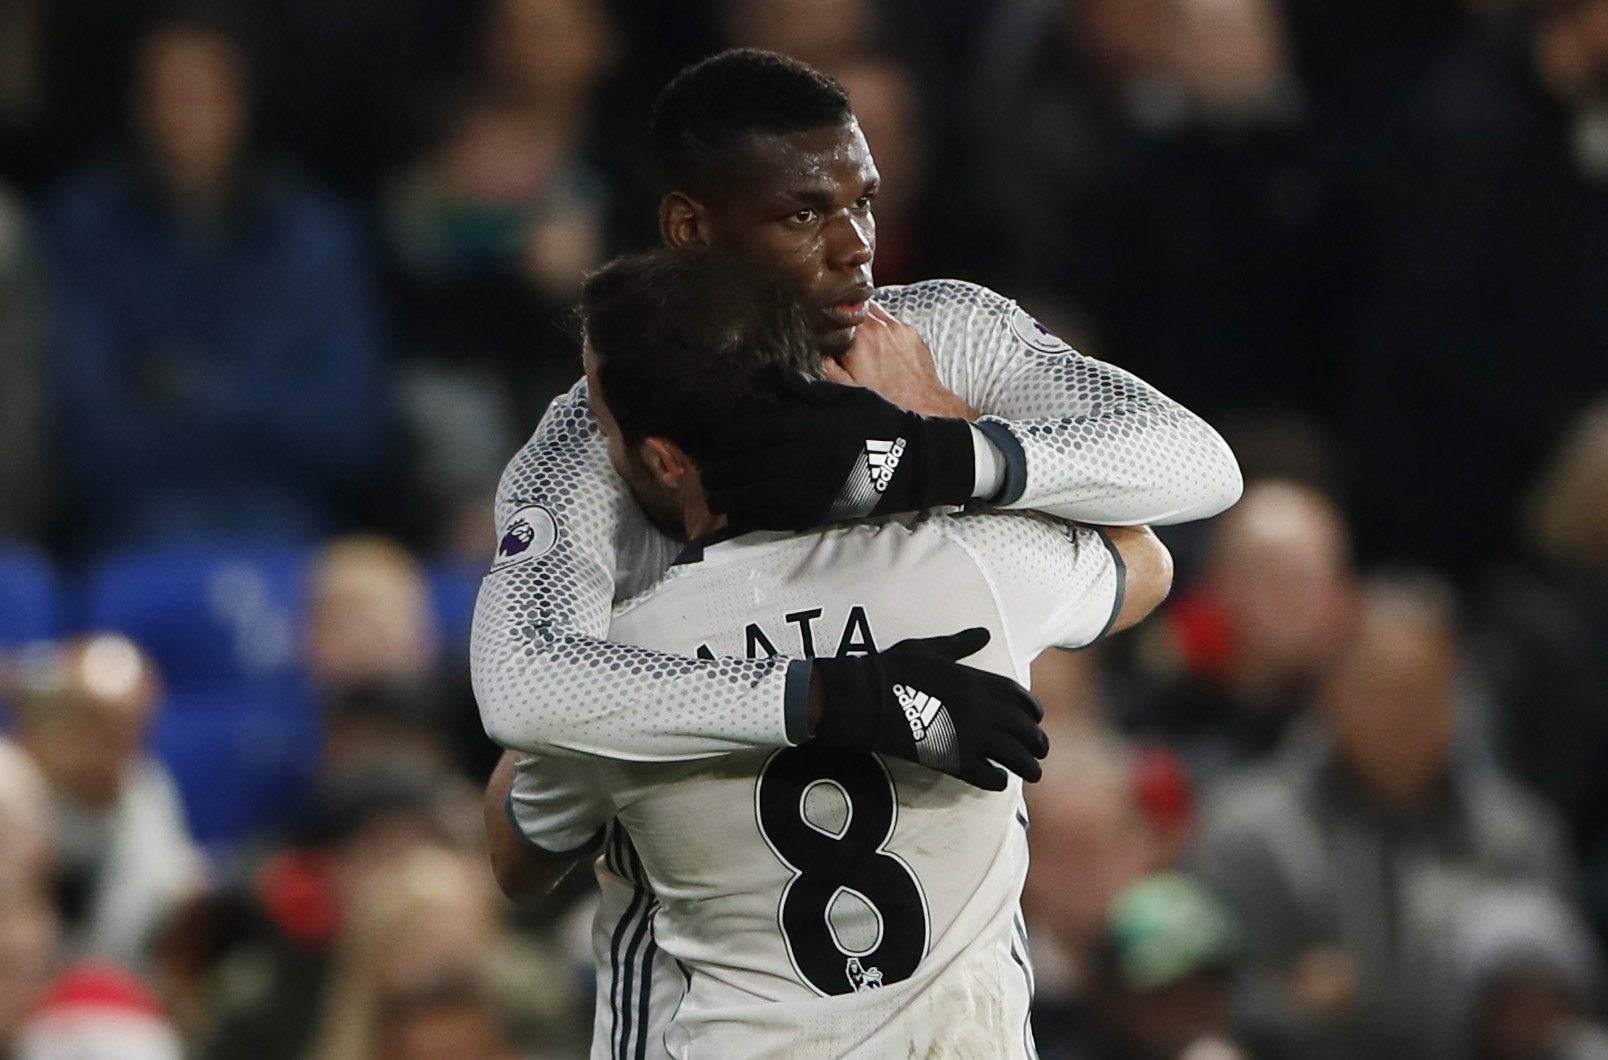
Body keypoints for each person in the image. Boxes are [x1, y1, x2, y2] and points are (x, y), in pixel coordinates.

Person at [469, 46, 1238, 796]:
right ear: (690, 230)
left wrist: (943, 443)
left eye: (862, 202)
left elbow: (1201, 464)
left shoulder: (945, 329)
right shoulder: (603, 431)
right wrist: (829, 697)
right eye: (805, 214)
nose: (857, 247)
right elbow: (521, 693)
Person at [490, 246, 1174, 1057]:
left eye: (604, 431)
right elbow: (1145, 560)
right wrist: (937, 422)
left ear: (666, 459)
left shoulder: (625, 665)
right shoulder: (969, 567)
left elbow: (515, 858)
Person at [1192, 576, 1575, 1060]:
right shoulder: (1249, 833)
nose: (1401, 716)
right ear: (1329, 696)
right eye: (1381, 690)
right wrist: (1288, 1003)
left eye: (1423, 692)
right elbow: (1202, 1000)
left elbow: (1560, 991)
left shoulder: (1517, 836)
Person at [6, 635, 203, 970]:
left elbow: (173, 888)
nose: (125, 745)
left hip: (121, 982)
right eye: (99, 728)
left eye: (134, 727)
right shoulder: (11, 792)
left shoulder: (144, 784)